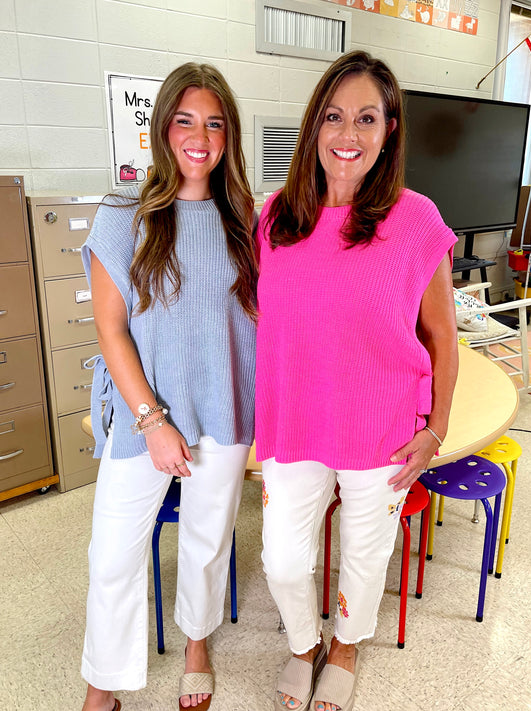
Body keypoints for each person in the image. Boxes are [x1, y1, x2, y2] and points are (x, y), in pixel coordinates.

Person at [255, 51, 458, 711]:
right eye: (334, 116)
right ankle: (302, 643)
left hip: (382, 428)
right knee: (283, 559)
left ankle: (344, 646)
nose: (348, 134)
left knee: (365, 556)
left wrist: (436, 428)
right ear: (314, 125)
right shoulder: (275, 216)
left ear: (389, 130)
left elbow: (442, 337)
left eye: (366, 118)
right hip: (295, 422)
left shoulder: (416, 220)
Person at [80, 62, 257, 711]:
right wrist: (154, 422)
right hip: (142, 420)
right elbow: (111, 329)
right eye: (185, 120)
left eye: (214, 123)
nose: (199, 137)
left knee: (207, 544)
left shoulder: (247, 222)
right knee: (111, 556)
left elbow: (264, 324)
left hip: (225, 413)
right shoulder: (122, 216)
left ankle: (196, 648)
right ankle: (102, 685)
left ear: (229, 135)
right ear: (162, 128)